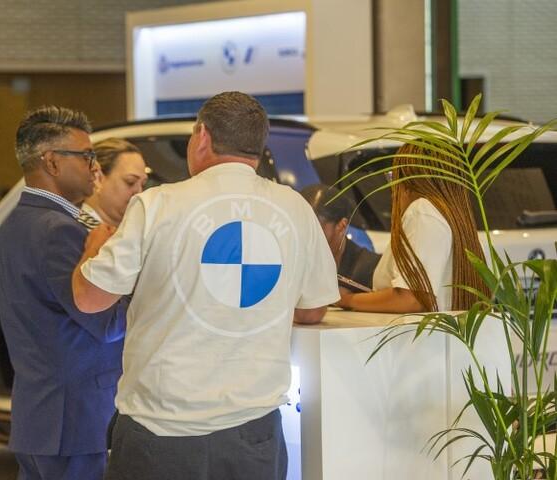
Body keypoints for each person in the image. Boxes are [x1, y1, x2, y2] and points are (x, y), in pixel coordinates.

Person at [72, 92, 339, 480]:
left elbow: (90, 298)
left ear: (202, 137)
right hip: (255, 433)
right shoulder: (294, 207)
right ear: (259, 146)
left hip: (159, 434)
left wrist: (90, 252)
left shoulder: (157, 205)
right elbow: (313, 309)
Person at [0, 106, 127, 480]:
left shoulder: (15, 223)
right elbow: (106, 323)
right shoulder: (60, 231)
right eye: (86, 156)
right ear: (51, 162)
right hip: (75, 421)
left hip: (43, 419)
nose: (94, 167)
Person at [336, 143, 488, 313]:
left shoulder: (422, 211)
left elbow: (412, 299)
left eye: (394, 176)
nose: (393, 188)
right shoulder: (451, 216)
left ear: (409, 180)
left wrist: (346, 300)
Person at [299, 184, 381, 292]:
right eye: (299, 227)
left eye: (316, 229)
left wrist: (347, 300)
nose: (305, 236)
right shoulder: (292, 262)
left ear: (342, 226)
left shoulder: (370, 270)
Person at [81, 138, 148, 226]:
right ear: (98, 179)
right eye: (130, 182)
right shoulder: (74, 232)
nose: (139, 193)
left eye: (143, 185)